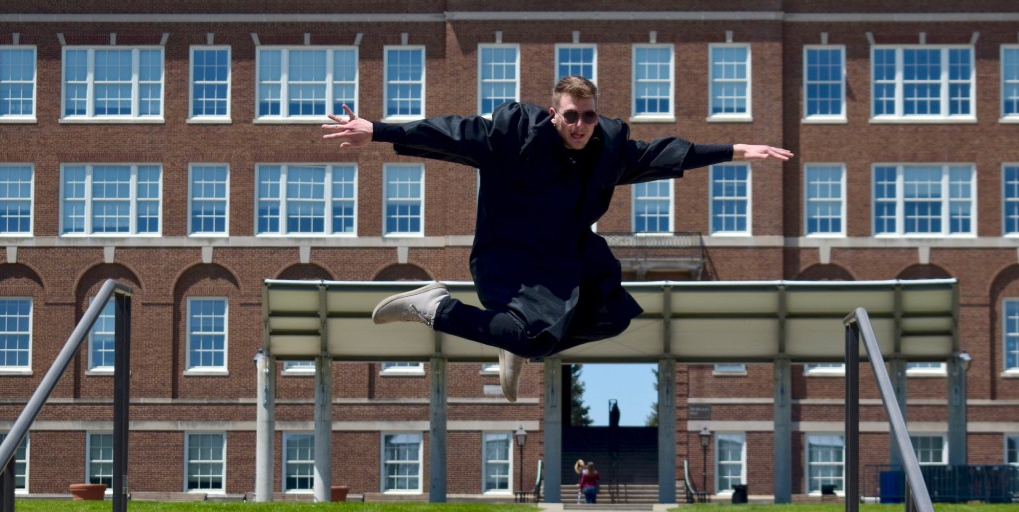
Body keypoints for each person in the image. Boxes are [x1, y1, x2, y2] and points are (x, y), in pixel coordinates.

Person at [322, 76, 792, 402]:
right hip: (510, 259)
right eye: (571, 117)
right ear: (554, 114)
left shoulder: (605, 148)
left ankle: (514, 341)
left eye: (588, 117)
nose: (580, 127)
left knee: (613, 318)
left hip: (565, 260)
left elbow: (660, 155)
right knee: (530, 334)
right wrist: (378, 131)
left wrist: (736, 150)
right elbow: (453, 136)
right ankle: (434, 306)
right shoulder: (515, 137)